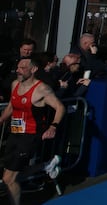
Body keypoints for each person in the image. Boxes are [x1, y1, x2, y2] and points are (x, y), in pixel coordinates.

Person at [0, 57, 65, 205]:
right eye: (18, 67)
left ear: (34, 69)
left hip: (30, 135)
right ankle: (46, 166)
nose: (18, 71)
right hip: (15, 133)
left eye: (23, 68)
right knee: (10, 172)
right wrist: (1, 119)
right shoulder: (15, 84)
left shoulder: (42, 89)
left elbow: (60, 107)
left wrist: (53, 126)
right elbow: (11, 106)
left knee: (9, 179)